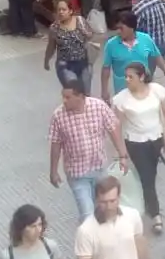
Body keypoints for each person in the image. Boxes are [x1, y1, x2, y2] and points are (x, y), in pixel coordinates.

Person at [111, 62, 165, 234]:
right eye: (125, 76)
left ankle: (146, 203)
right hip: (135, 143)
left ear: (141, 77)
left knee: (150, 175)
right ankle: (155, 215)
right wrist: (120, 150)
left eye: (130, 76)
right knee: (147, 178)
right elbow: (116, 124)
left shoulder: (155, 90)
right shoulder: (122, 98)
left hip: (156, 139)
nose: (127, 80)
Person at [49, 80, 127, 219]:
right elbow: (56, 143)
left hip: (99, 169)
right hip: (77, 174)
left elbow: (113, 129)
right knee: (87, 214)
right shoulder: (58, 116)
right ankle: (89, 238)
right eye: (63, 97)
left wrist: (123, 155)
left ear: (81, 96)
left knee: (103, 209)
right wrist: (53, 171)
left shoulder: (99, 107)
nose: (64, 101)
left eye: (68, 97)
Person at [100, 12, 165, 104]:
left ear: (131, 27)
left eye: (121, 28)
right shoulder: (111, 45)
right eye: (117, 28)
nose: (118, 31)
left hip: (144, 86)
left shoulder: (146, 39)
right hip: (123, 89)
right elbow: (106, 68)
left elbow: (157, 57)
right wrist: (104, 90)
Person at [44, 0, 94, 92]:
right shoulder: (54, 28)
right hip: (65, 65)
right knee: (74, 92)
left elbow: (90, 35)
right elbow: (51, 46)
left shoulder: (80, 21)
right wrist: (46, 60)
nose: (61, 12)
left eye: (64, 9)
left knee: (86, 93)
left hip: (84, 63)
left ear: (70, 11)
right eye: (59, 10)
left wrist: (86, 33)